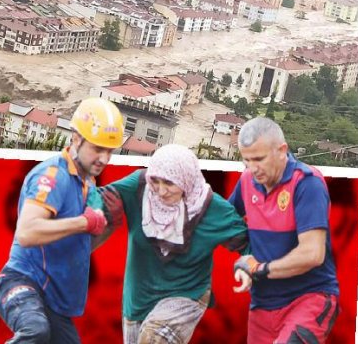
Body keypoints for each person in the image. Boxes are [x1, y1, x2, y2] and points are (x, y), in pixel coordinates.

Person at [0, 97, 125, 343]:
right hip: (23, 283)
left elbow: (78, 248)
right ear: (76, 138)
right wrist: (84, 223)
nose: (104, 159)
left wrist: (107, 226)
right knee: (35, 331)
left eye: (110, 151)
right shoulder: (53, 176)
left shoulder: (87, 183)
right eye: (97, 148)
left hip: (52, 298)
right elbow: (27, 233)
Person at [99, 144, 249, 344]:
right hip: (138, 299)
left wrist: (248, 266)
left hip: (186, 295)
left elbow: (250, 245)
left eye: (169, 183)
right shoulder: (139, 187)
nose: (161, 191)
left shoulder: (214, 210)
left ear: (186, 179)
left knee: (153, 339)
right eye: (155, 181)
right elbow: (98, 199)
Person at [229, 117, 340, 343]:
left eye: (259, 159)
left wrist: (259, 268)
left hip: (308, 298)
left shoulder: (307, 183)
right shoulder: (247, 180)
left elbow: (312, 254)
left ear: (282, 150)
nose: (252, 168)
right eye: (246, 160)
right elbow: (226, 225)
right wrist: (244, 261)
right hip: (262, 304)